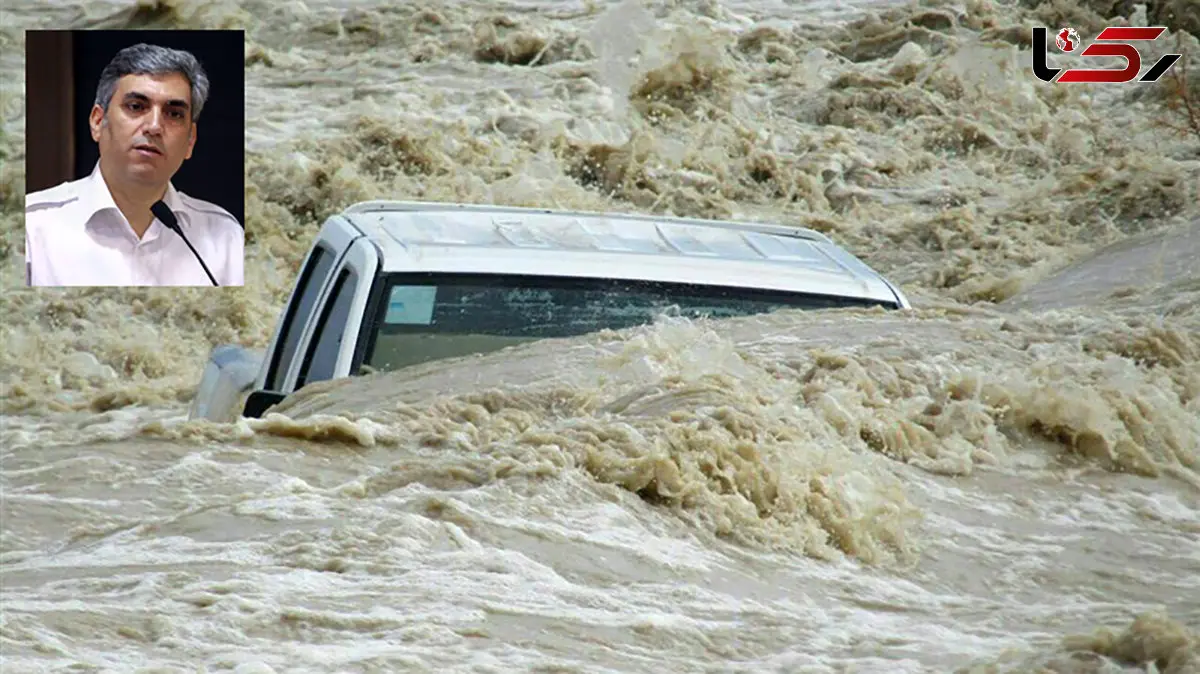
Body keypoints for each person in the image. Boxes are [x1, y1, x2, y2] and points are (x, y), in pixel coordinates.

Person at [25, 42, 244, 287]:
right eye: (136, 107)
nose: (154, 126)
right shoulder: (32, 228)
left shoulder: (225, 238)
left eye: (173, 114)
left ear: (190, 140)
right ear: (98, 122)